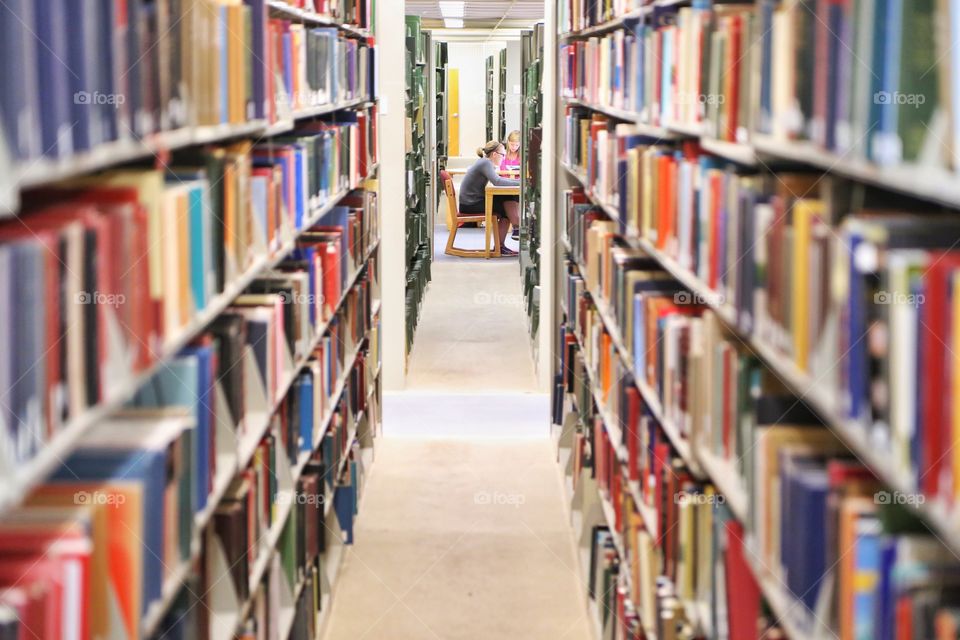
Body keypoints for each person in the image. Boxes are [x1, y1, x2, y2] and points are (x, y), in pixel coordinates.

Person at [459, 140, 520, 256]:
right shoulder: (485, 163)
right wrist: (520, 183)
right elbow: (497, 181)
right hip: (470, 204)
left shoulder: (484, 162)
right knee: (505, 202)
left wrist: (519, 182)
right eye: (503, 155)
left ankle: (513, 231)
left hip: (472, 202)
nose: (503, 157)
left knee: (505, 198)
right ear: (494, 154)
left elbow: (499, 180)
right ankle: (514, 230)